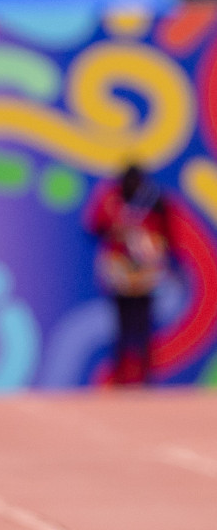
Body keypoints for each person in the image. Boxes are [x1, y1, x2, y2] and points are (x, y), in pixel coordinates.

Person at [85, 164, 173, 385]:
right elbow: (93, 227)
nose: (132, 186)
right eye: (128, 181)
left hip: (146, 271)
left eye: (137, 181)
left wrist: (154, 247)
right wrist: (116, 231)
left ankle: (146, 378)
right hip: (119, 268)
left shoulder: (154, 199)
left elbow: (169, 233)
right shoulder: (110, 199)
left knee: (144, 324)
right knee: (121, 326)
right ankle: (121, 378)